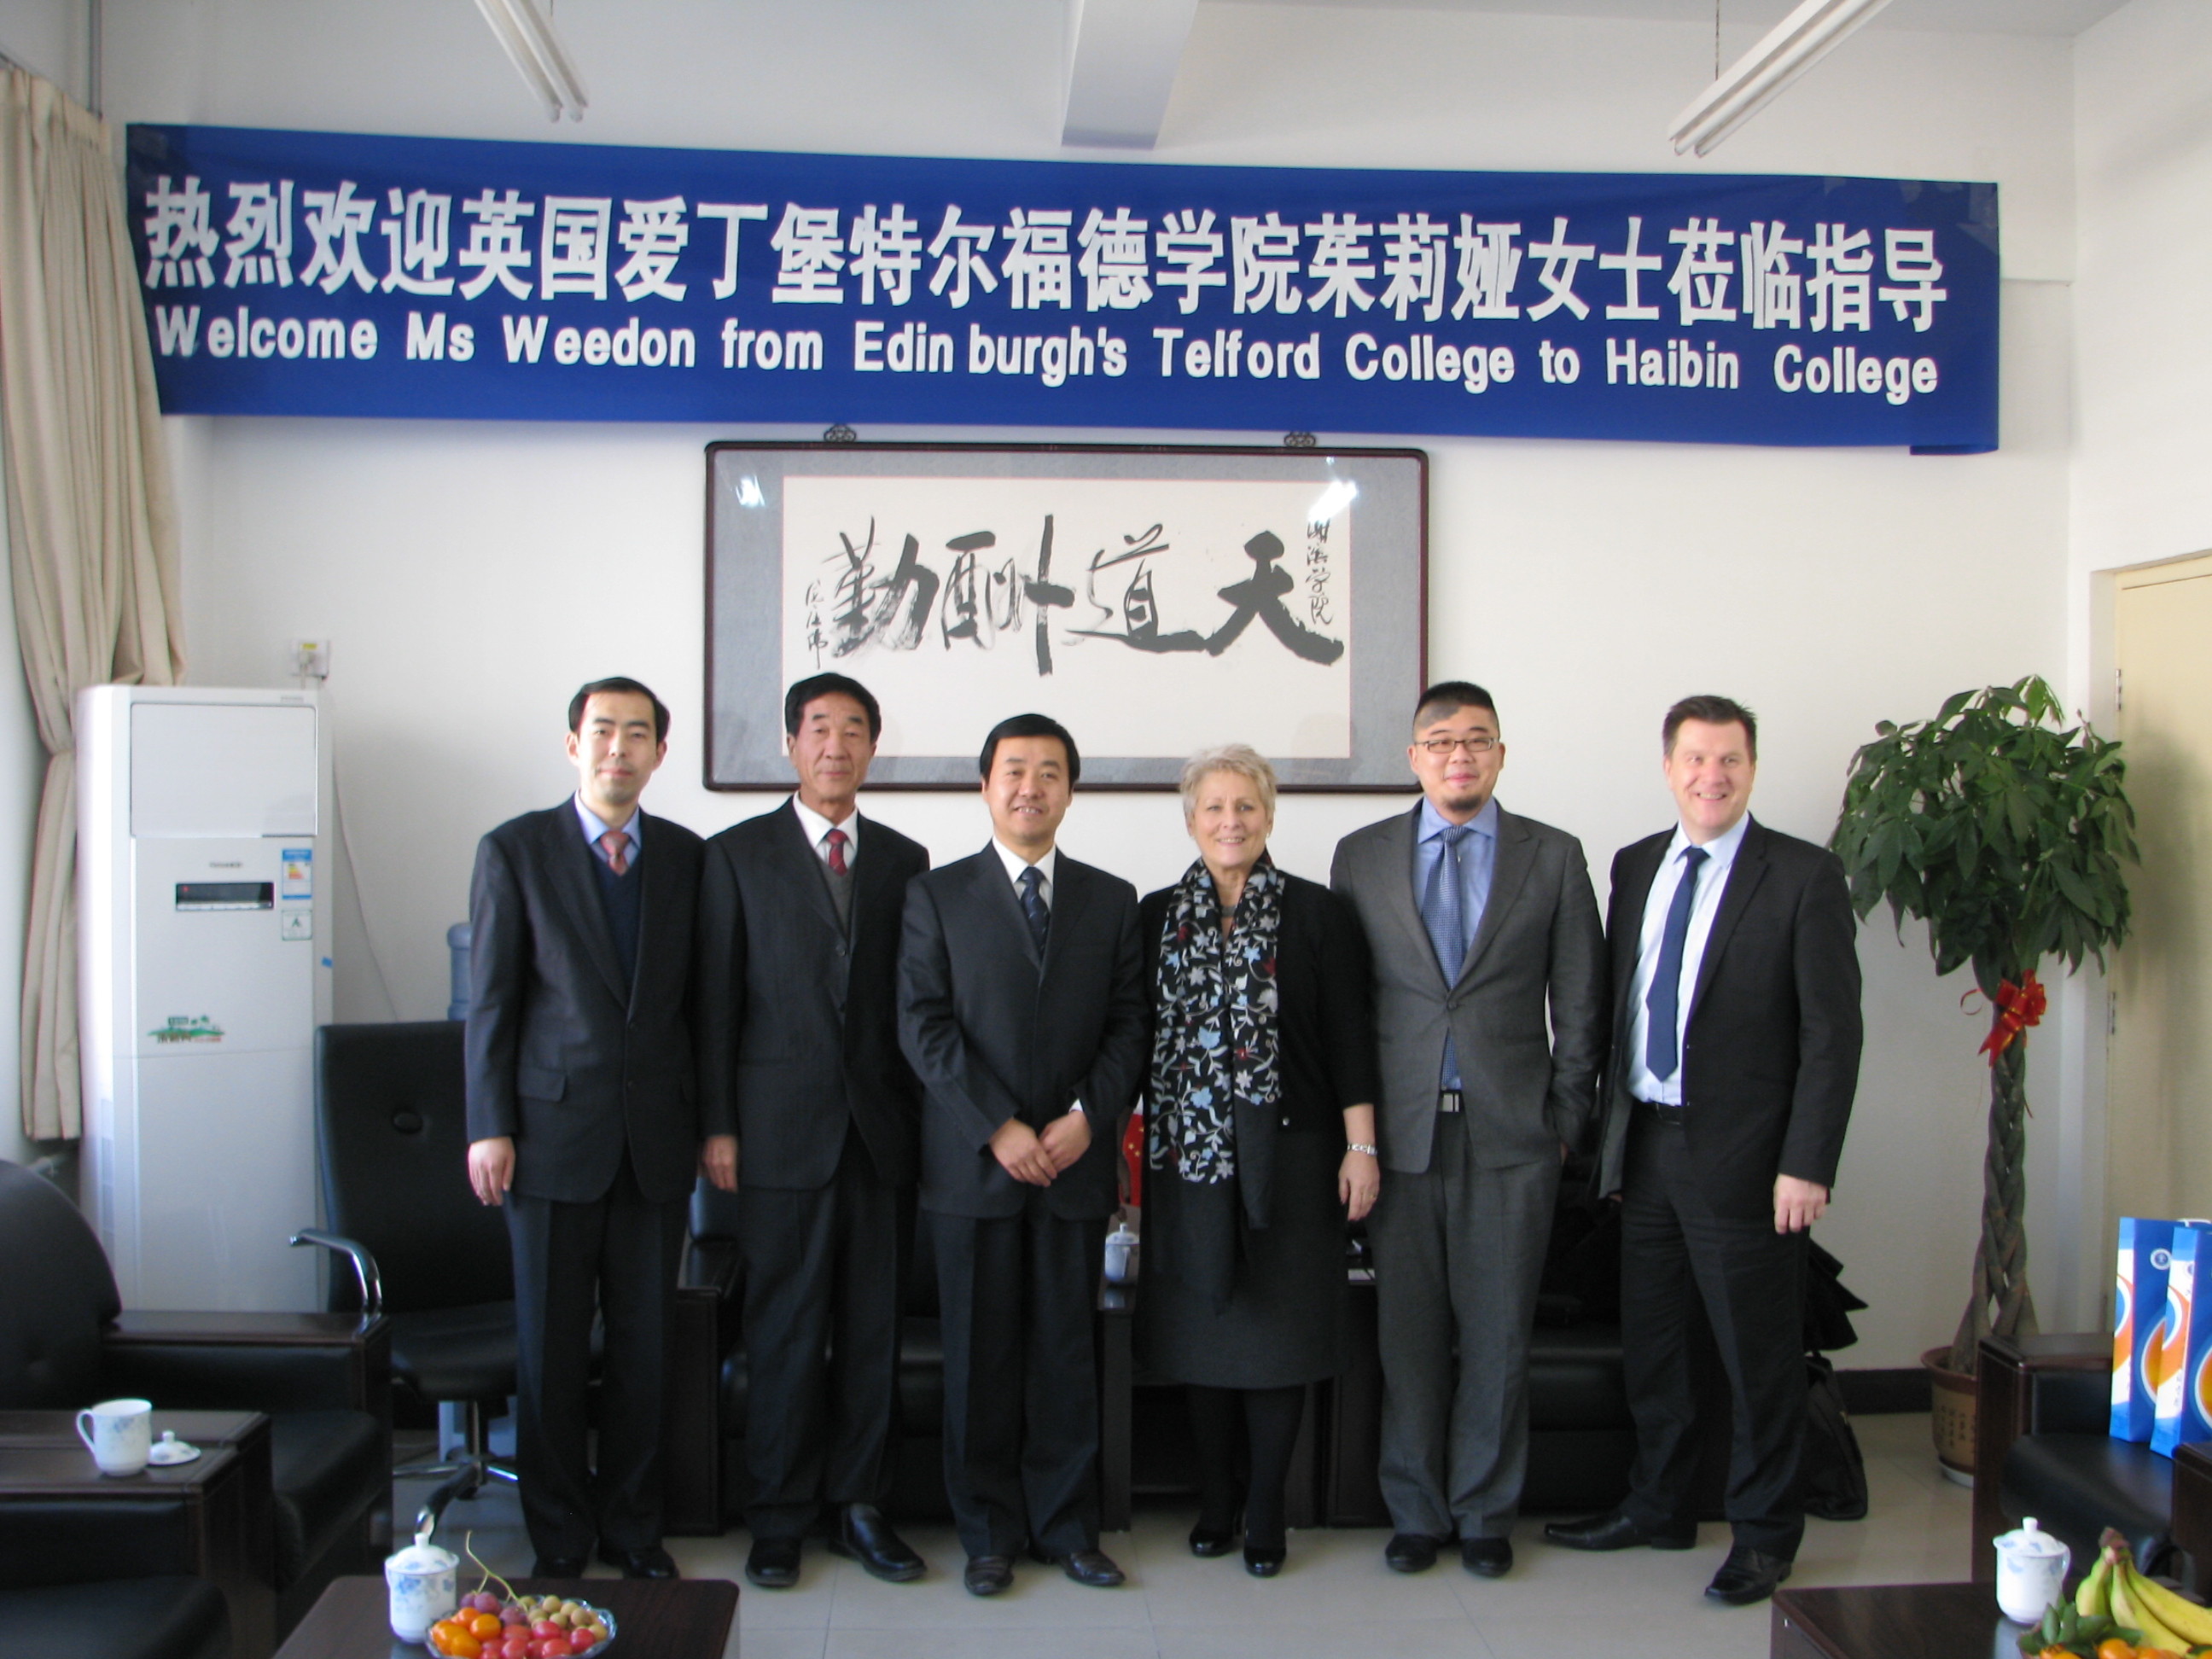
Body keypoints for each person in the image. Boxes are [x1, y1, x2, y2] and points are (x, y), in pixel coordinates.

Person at [1543, 695, 1862, 1608]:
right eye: (1695, 759)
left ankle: (1765, 1536)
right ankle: (1659, 1506)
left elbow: (1833, 1037)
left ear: (1751, 768)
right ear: (1668, 767)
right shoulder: (1637, 864)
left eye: (1729, 760)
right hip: (1647, 1148)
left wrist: (1808, 1164)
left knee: (1758, 1360)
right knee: (1659, 1348)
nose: (1711, 776)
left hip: (1753, 1164)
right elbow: (1617, 1004)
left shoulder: (1802, 876)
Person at [1330, 680, 1606, 1579]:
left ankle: (1486, 1513)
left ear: (1500, 754)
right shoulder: (1361, 856)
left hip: (1513, 1140)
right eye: (1442, 741)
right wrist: (1357, 1137)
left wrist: (1564, 1122)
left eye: (1477, 740)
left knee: (1498, 1340)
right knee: (1407, 1341)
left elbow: (1582, 1003)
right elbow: (1348, 1008)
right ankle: (1415, 1511)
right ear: (1414, 757)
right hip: (1400, 1140)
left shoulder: (1552, 856)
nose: (1460, 755)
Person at [897, 713, 1148, 1597]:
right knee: (980, 1361)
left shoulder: (1111, 899)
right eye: (1014, 770)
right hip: (974, 1169)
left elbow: (1130, 1025)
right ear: (986, 786)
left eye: (1049, 772)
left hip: (1073, 1166)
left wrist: (1086, 1117)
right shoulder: (935, 896)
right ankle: (988, 1535)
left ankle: (1068, 1529)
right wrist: (996, 1125)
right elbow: (922, 1026)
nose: (1030, 787)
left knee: (1065, 1357)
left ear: (1070, 791)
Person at [463, 677, 709, 1580]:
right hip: (548, 1142)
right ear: (574, 744)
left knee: (646, 1353)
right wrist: (489, 1124)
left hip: (654, 1145)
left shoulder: (686, 858)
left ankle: (634, 1530)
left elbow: (701, 1008)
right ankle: (560, 1537)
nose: (619, 748)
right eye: (603, 730)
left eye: (637, 734)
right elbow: (491, 1001)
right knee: (553, 1354)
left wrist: (708, 1125)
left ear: (659, 753)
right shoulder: (515, 850)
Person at [694, 672, 931, 1591]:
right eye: (820, 728)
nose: (837, 745)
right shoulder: (735, 855)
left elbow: (913, 1005)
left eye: (855, 729)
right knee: (785, 1332)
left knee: (872, 1333)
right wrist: (719, 1125)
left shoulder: (906, 858)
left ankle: (861, 1507)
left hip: (879, 1137)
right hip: (775, 1134)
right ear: (791, 743)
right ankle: (779, 1518)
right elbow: (716, 1003)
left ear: (873, 747)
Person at [1138, 745, 1380, 1578]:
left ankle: (1267, 1508)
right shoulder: (1155, 916)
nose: (1230, 821)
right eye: (1214, 807)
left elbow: (1350, 1037)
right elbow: (1135, 1042)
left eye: (1246, 806)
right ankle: (1216, 1501)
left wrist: (1361, 1146)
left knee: (1280, 1337)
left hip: (1297, 1158)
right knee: (1203, 1334)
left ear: (1269, 816)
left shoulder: (1318, 914)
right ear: (1191, 820)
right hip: (1189, 1164)